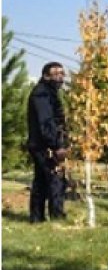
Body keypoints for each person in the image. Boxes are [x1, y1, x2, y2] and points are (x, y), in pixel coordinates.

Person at [27, 62, 69, 222]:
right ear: (46, 76)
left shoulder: (48, 92)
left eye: (62, 73)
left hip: (41, 143)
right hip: (44, 145)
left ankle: (37, 217)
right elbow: (46, 122)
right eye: (56, 73)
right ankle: (56, 215)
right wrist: (56, 145)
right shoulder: (42, 94)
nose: (60, 77)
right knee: (55, 178)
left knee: (41, 181)